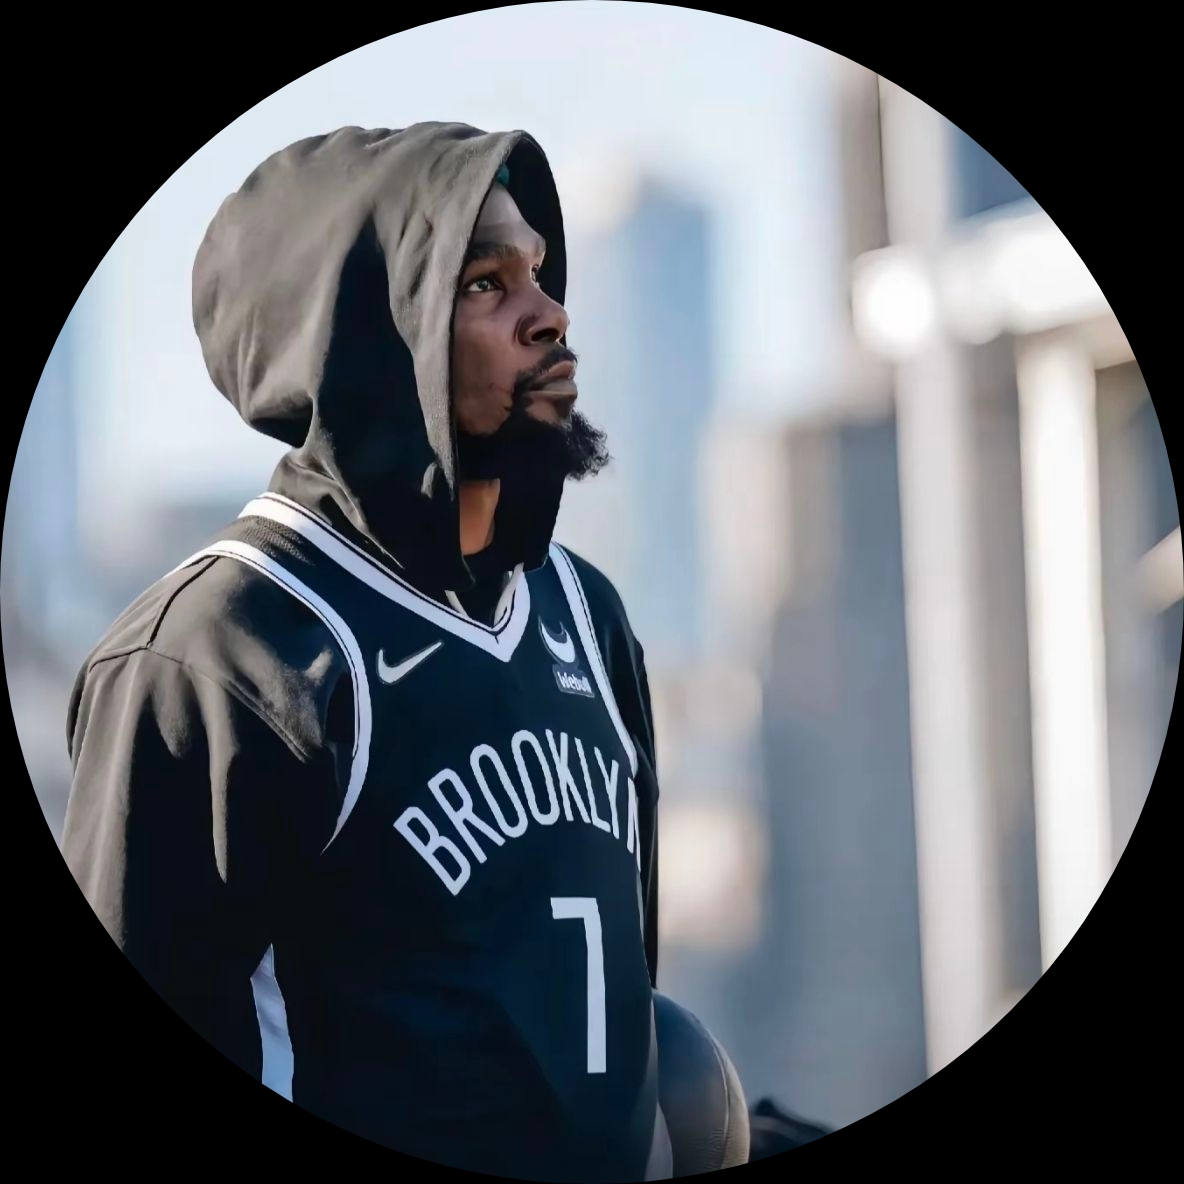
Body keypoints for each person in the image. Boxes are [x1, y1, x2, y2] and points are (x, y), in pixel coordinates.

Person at [62, 122, 749, 1181]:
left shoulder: (586, 614)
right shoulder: (217, 656)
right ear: (372, 338)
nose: (548, 312)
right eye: (485, 284)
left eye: (538, 271)